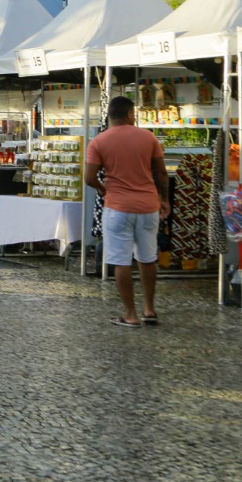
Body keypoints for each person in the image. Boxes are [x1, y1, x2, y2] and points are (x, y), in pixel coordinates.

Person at [85, 96, 170, 328]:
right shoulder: (148, 137)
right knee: (147, 258)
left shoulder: (98, 142)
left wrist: (103, 190)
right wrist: (164, 199)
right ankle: (149, 309)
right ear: (130, 114)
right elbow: (161, 173)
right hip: (148, 207)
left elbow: (89, 177)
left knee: (121, 261)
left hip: (117, 208)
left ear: (110, 115)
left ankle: (130, 314)